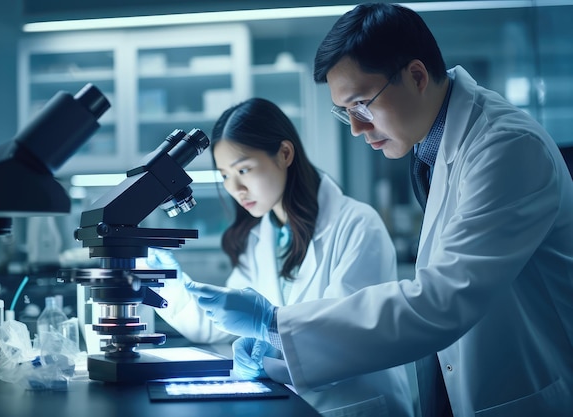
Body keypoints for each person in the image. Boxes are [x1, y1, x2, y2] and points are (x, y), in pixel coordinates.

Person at [185, 3, 573, 417]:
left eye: (361, 104)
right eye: (344, 112)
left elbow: (442, 300)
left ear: (417, 76)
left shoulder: (506, 148)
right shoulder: (432, 151)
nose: (355, 127)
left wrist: (275, 324)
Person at [149, 97, 415, 417]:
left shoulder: (358, 225)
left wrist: (271, 331)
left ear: (284, 154)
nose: (236, 189)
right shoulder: (260, 238)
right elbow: (216, 325)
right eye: (225, 176)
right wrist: (170, 284)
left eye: (243, 169)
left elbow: (352, 338)